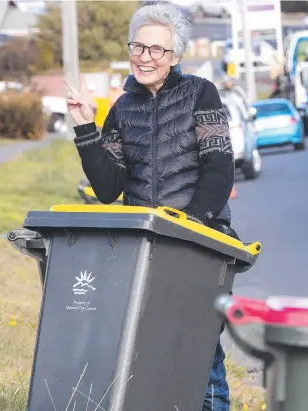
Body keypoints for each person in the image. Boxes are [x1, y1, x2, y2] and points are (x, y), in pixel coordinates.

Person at [65, 3, 235, 411]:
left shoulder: (201, 93)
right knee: (144, 348)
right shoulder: (122, 110)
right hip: (144, 248)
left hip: (200, 243)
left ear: (175, 56)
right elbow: (108, 188)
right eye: (138, 47)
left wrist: (189, 227)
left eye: (156, 50)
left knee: (200, 349)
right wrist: (85, 128)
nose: (145, 57)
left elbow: (219, 167)